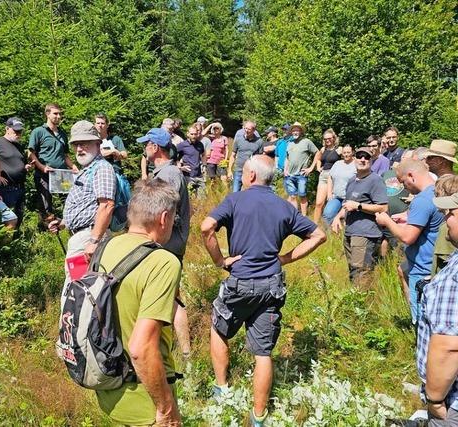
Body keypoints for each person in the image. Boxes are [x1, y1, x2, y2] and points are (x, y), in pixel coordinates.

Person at [200, 155, 326, 426]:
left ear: (252, 176)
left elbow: (206, 227)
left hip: (240, 281)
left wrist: (220, 260)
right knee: (263, 352)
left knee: (219, 329)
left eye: (244, 171)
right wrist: (285, 258)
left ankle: (222, 389)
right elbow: (319, 235)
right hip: (271, 284)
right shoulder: (285, 207)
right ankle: (259, 416)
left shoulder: (235, 200)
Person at [95, 179, 182, 426]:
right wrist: (165, 409)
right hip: (144, 400)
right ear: (164, 218)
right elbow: (140, 348)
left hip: (108, 387)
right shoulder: (162, 262)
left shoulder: (106, 246)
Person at [138, 127, 192, 359]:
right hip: (169, 243)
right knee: (168, 296)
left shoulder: (168, 175)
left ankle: (183, 352)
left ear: (154, 147)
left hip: (167, 245)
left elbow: (166, 214)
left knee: (170, 297)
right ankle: (172, 348)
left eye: (145, 144)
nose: (143, 149)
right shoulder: (166, 172)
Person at [376, 159, 444, 324]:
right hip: (436, 265)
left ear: (411, 176)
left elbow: (407, 237)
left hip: (422, 270)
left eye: (402, 181)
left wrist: (387, 221)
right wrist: (407, 217)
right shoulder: (438, 192)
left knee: (422, 322)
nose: (402, 186)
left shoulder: (421, 200)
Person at [48, 120, 115, 281]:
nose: (79, 149)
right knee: (81, 291)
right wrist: (63, 223)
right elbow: (87, 206)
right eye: (76, 144)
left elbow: (106, 205)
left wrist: (93, 241)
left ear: (98, 144)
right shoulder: (87, 170)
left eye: (84, 143)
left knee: (79, 291)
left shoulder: (102, 168)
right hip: (82, 238)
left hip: (88, 240)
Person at [415, 189, 458, 426]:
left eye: (450, 213)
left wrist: (435, 399)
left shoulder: (455, 279)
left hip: (452, 402)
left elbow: (449, 347)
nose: (444, 219)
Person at [331, 147, 388, 283]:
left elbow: (383, 207)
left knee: (362, 272)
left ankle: (363, 303)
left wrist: (359, 206)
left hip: (366, 233)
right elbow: (347, 203)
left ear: (371, 160)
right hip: (350, 232)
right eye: (360, 156)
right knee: (353, 270)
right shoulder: (352, 180)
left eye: (367, 157)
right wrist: (337, 217)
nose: (363, 159)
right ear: (354, 159)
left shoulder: (375, 180)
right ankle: (354, 300)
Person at [28, 103, 79, 221]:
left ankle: (69, 226)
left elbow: (65, 155)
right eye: (55, 113)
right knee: (46, 206)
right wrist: (42, 167)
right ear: (47, 114)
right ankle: (48, 231)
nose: (59, 116)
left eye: (60, 114)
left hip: (62, 174)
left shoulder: (62, 133)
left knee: (69, 201)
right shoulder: (38, 131)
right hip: (44, 175)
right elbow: (30, 153)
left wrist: (73, 166)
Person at [423, 140, 458, 274]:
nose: (426, 160)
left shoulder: (449, 184)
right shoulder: (443, 181)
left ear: (442, 161)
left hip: (447, 250)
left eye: (431, 157)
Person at [0, 117, 32, 228]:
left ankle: (15, 241)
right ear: (7, 129)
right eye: (15, 131)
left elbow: (20, 163)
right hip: (6, 188)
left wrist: (26, 167)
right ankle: (4, 243)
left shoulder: (18, 146)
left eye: (20, 131)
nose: (18, 134)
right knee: (7, 219)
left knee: (18, 217)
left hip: (20, 188)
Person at [283, 122, 318, 215]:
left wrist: (311, 168)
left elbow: (317, 153)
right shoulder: (289, 143)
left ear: (301, 131)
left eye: (297, 130)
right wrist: (285, 170)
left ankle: (304, 217)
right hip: (289, 175)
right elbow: (287, 157)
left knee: (302, 195)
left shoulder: (307, 142)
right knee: (293, 196)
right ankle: (295, 217)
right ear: (291, 132)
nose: (295, 132)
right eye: (293, 130)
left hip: (301, 175)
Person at [230, 120, 271, 192]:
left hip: (251, 172)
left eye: (248, 129)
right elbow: (233, 155)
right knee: (235, 193)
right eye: (245, 128)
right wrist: (229, 170)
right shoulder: (238, 140)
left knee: (250, 194)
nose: (246, 130)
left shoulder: (259, 142)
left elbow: (260, 158)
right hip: (238, 170)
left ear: (254, 130)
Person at [313, 129, 341, 224]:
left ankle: (330, 225)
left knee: (331, 202)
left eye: (329, 138)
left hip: (334, 177)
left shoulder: (339, 149)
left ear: (334, 138)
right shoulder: (323, 149)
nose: (327, 140)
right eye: (325, 139)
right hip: (323, 176)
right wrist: (318, 167)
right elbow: (318, 159)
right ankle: (314, 226)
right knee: (319, 203)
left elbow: (347, 159)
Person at [322, 145, 356, 225]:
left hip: (349, 198)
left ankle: (343, 235)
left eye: (348, 152)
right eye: (344, 153)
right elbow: (330, 177)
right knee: (327, 214)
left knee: (346, 218)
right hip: (336, 196)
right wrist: (329, 193)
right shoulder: (337, 163)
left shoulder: (356, 164)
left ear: (353, 153)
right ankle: (328, 234)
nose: (346, 154)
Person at [176, 125, 206, 197]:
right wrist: (179, 166)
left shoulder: (200, 144)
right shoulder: (182, 145)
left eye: (195, 134)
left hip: (199, 175)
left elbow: (203, 154)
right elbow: (173, 155)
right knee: (189, 198)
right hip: (188, 176)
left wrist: (204, 165)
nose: (193, 136)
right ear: (187, 134)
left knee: (202, 198)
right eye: (192, 134)